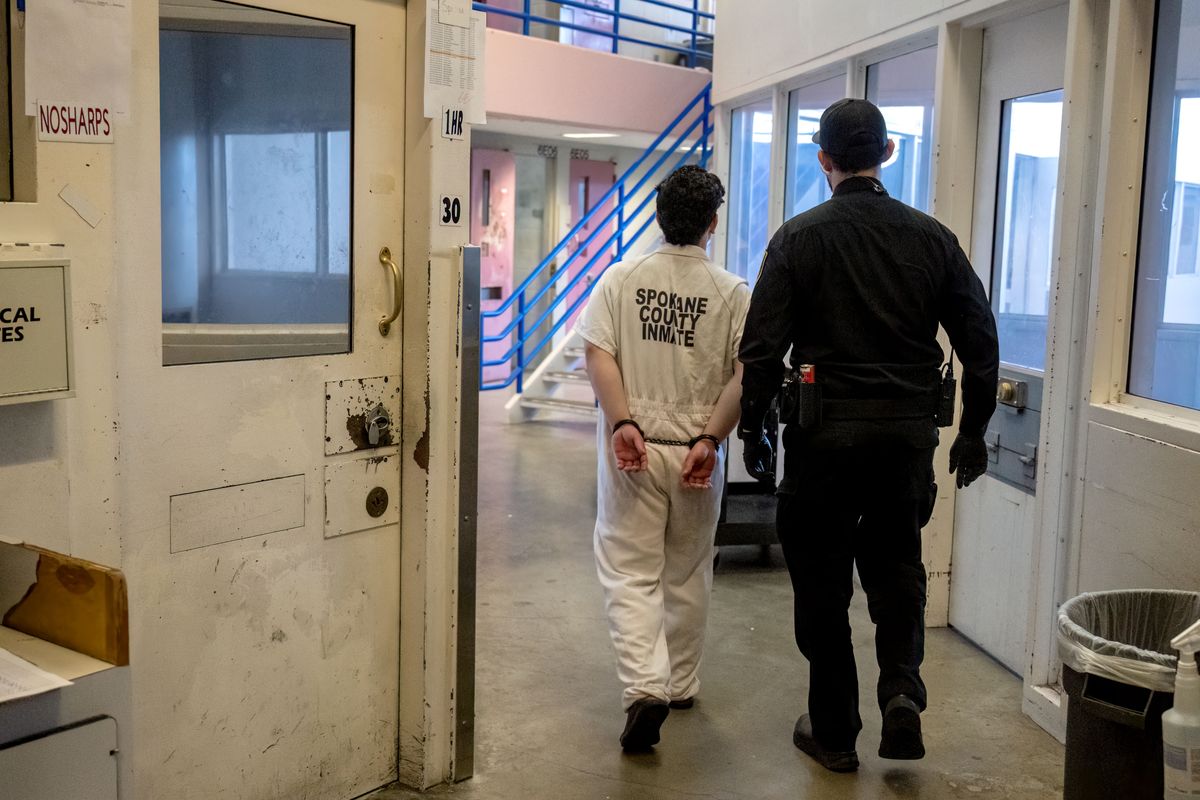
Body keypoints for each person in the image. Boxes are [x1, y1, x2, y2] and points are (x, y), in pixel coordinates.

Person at [737, 98, 1000, 773]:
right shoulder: (932, 239)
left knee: (821, 586)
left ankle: (834, 734)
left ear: (823, 159)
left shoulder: (797, 238)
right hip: (905, 443)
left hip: (822, 444)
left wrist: (754, 431)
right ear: (886, 155)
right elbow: (981, 342)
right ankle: (901, 686)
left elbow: (762, 350)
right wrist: (971, 432)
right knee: (897, 568)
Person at [576, 165, 750, 751]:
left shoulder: (621, 280)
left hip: (635, 451)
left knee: (629, 570)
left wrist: (623, 421)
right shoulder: (732, 292)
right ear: (712, 223)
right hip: (696, 452)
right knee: (687, 569)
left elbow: (598, 352)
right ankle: (678, 684)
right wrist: (711, 439)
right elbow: (745, 376)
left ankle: (644, 687)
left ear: (657, 217)